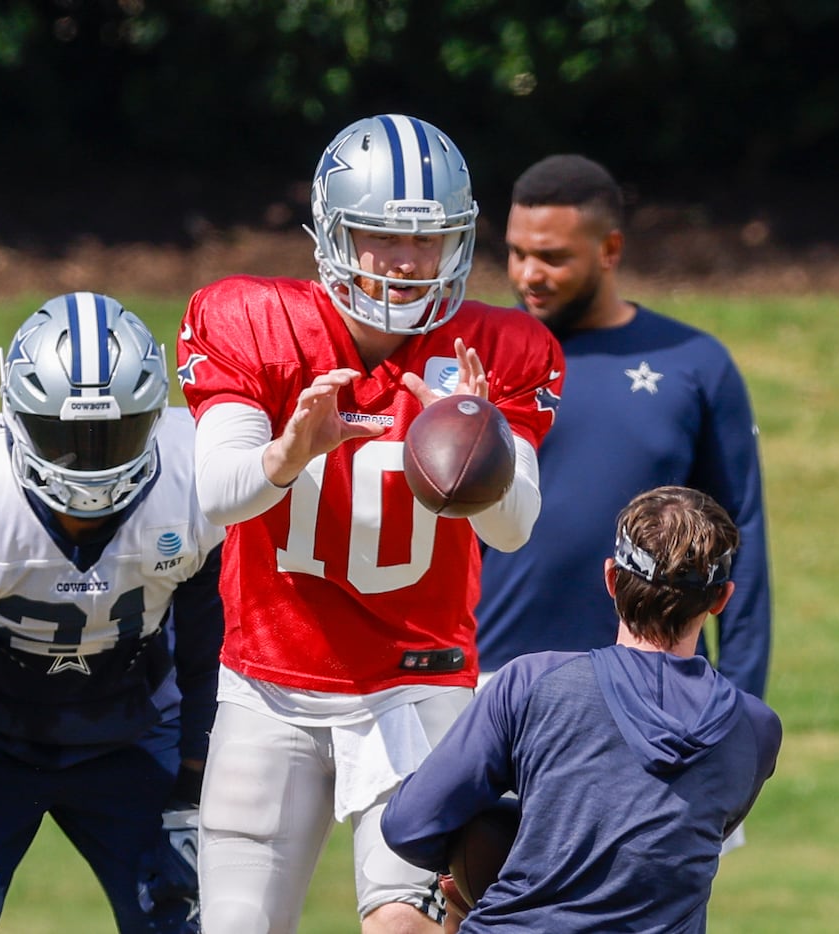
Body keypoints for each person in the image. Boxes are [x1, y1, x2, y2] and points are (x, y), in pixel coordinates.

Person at [176, 113, 565, 933]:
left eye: (427, 239)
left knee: (406, 926)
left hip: (415, 686)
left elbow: (514, 528)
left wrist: (482, 439)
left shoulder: (498, 348)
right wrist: (287, 453)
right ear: (331, 233)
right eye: (379, 234)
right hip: (271, 687)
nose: (405, 261)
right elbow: (218, 492)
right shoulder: (254, 322)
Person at [0, 292, 224, 933]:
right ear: (13, 414)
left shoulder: (201, 474)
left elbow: (214, 656)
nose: (89, 460)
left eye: (112, 434)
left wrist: (193, 795)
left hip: (135, 732)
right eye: (66, 437)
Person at [382, 486, 782, 933]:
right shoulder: (755, 729)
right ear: (721, 599)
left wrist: (490, 849)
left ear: (611, 579)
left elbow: (409, 826)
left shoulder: (529, 685)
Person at [475, 154, 772, 703]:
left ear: (609, 250)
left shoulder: (696, 365)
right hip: (489, 685)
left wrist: (740, 706)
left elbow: (742, 537)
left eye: (552, 257)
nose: (526, 275)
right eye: (516, 253)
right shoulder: (478, 357)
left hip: (653, 687)